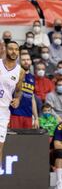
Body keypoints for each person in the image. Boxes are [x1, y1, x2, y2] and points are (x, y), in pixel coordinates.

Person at [0, 41, 25, 172]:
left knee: (0, 146)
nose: (14, 51)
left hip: (3, 112)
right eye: (11, 49)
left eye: (16, 49)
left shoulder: (20, 71)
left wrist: (17, 98)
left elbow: (19, 90)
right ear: (5, 50)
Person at [9, 51, 39, 129]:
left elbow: (32, 98)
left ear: (31, 61)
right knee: (14, 140)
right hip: (15, 113)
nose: (26, 62)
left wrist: (36, 118)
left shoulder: (32, 78)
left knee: (26, 140)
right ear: (19, 62)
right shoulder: (14, 74)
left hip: (28, 115)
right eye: (23, 60)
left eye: (28, 59)